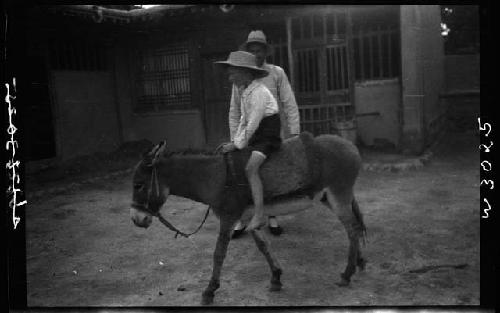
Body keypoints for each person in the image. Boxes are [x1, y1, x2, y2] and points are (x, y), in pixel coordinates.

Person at [230, 30, 301, 238]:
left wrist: (294, 133)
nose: (256, 54)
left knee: (269, 172)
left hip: (270, 132)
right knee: (244, 173)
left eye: (259, 50)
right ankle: (243, 218)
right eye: (252, 51)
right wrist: (236, 138)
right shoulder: (241, 78)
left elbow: (289, 103)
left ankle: (272, 217)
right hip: (248, 134)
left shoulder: (276, 73)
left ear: (265, 52)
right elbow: (236, 111)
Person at [215, 50, 282, 232]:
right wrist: (234, 142)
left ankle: (260, 215)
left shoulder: (259, 92)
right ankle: (242, 212)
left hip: (268, 135)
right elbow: (243, 119)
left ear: (245, 73)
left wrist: (238, 144)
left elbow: (252, 123)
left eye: (232, 73)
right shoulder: (244, 91)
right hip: (256, 134)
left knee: (251, 168)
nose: (230, 78)